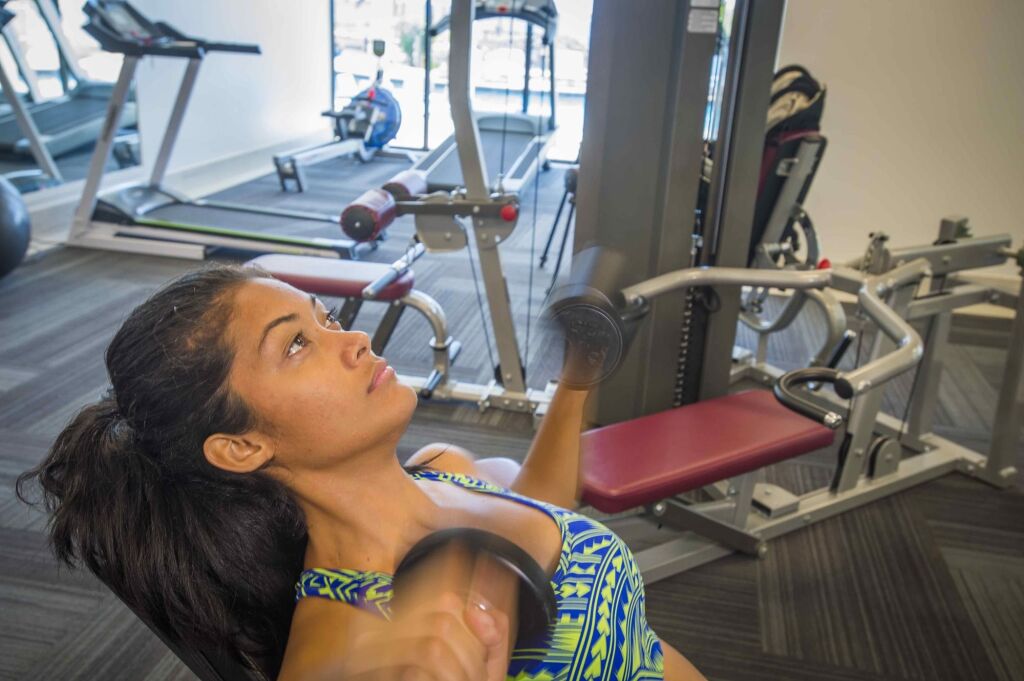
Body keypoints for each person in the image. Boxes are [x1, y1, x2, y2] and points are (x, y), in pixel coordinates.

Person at [18, 264, 706, 681]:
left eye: (323, 320)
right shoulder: (351, 645)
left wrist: (577, 380)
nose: (354, 339)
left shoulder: (444, 468)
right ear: (241, 446)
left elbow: (543, 509)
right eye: (296, 344)